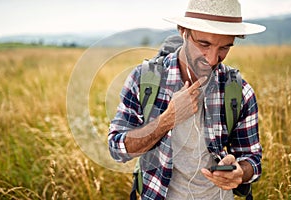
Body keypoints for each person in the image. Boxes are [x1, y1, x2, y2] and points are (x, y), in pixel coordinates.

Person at [108, 0, 265, 199]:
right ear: (183, 31)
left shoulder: (240, 91)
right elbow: (117, 148)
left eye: (225, 47)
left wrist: (240, 172)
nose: (212, 59)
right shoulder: (144, 79)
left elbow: (252, 159)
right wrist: (167, 119)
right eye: (203, 44)